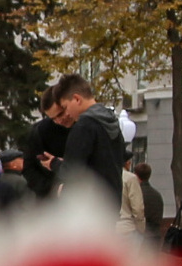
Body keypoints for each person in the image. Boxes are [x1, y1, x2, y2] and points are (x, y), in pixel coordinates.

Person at [44, 75, 128, 203]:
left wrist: (55, 164)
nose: (67, 114)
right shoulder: (111, 120)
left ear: (77, 99)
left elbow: (72, 171)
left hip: (90, 205)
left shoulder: (84, 126)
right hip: (111, 202)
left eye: (65, 107)